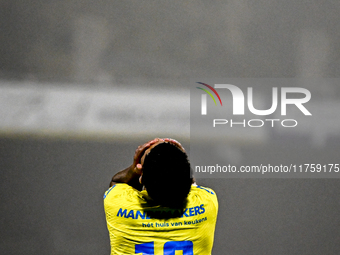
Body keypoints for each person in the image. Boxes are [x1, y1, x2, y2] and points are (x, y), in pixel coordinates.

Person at [103, 138, 218, 255]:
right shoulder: (207, 203)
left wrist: (133, 169)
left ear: (141, 178)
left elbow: (117, 183)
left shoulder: (118, 205)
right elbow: (190, 184)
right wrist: (181, 160)